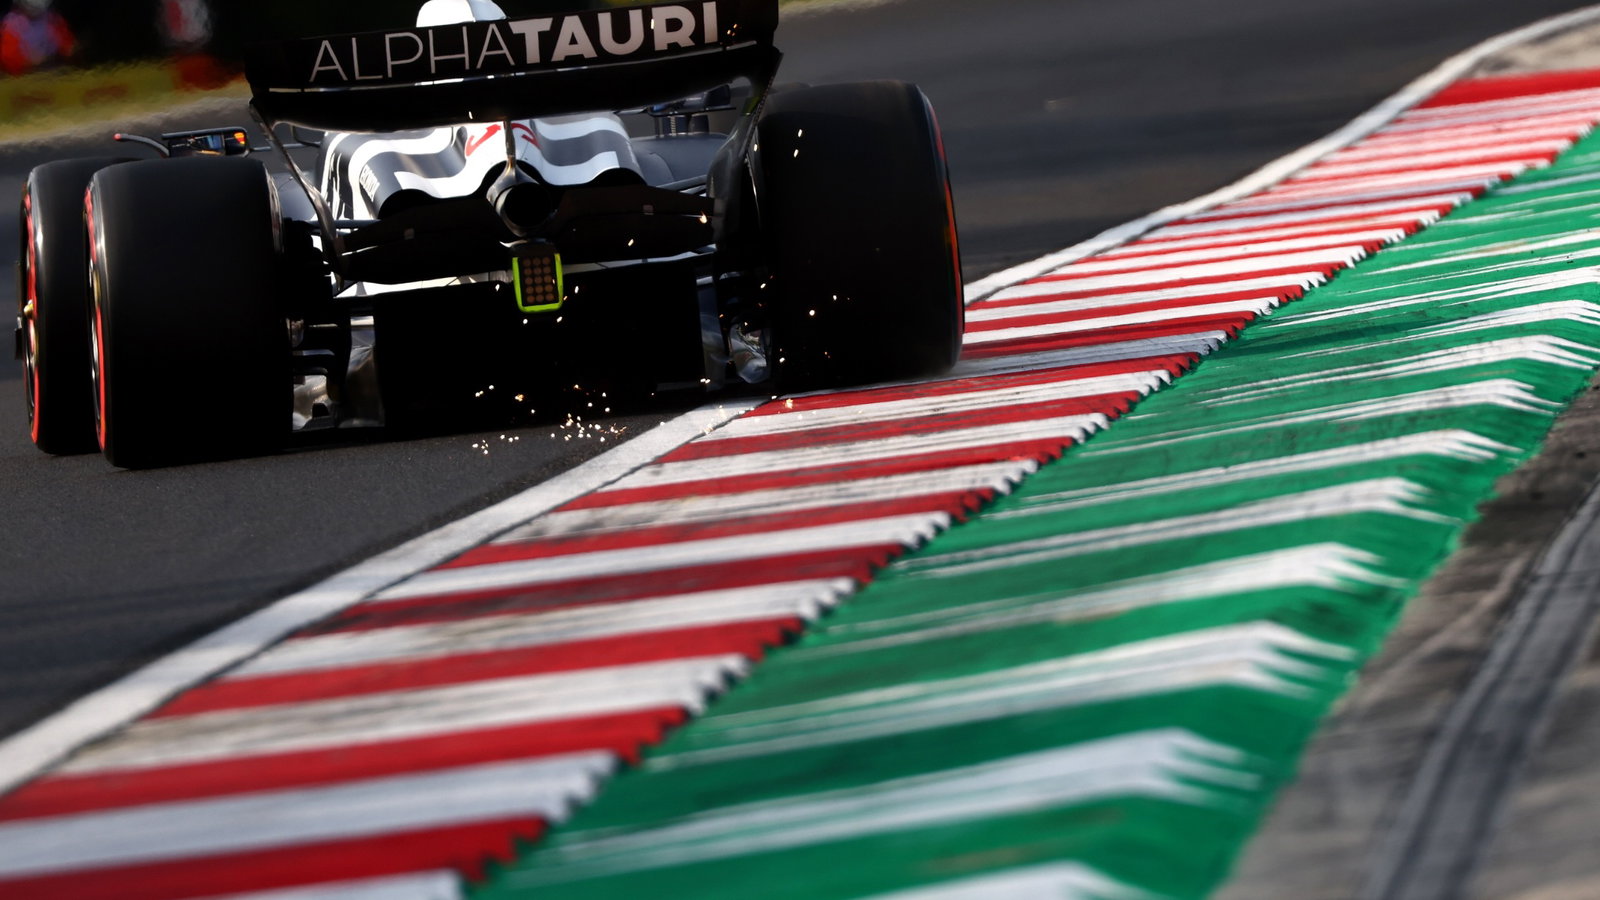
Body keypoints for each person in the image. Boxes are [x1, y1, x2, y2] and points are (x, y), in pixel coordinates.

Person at [0, 0, 77, 77]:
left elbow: (68, 47)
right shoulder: (12, 24)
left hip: (53, 73)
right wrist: (29, 61)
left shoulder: (53, 20)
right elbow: (9, 60)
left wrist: (69, 49)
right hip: (25, 77)